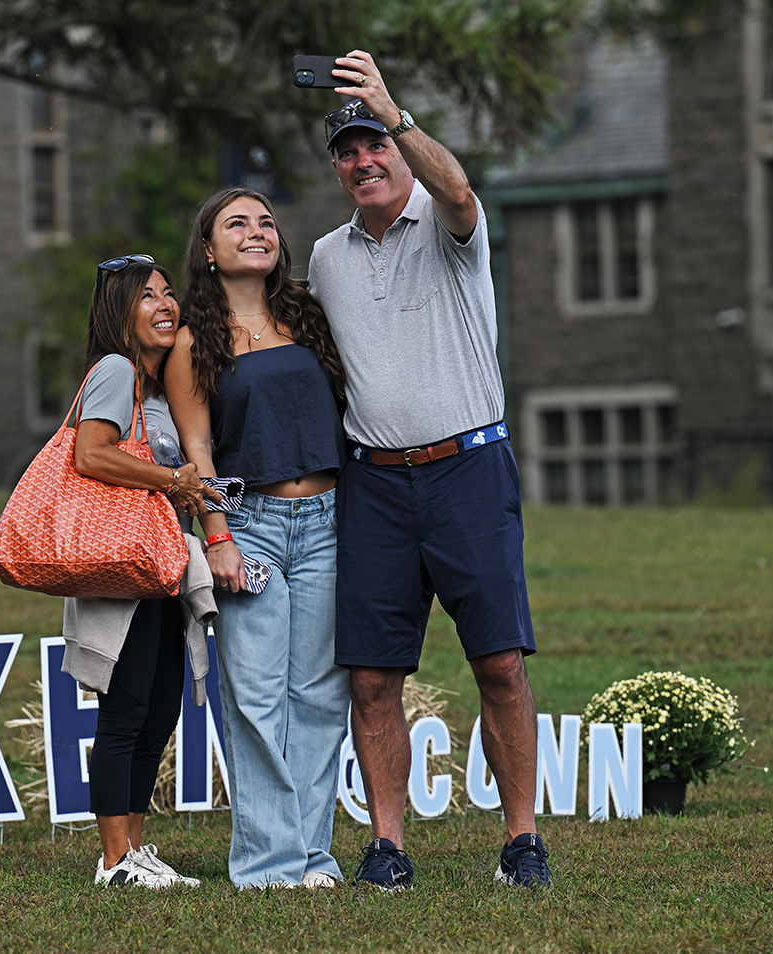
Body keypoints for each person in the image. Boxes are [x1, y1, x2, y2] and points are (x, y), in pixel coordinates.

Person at [306, 50, 551, 890]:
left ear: (399, 149)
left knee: (499, 662)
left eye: (375, 145)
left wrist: (396, 112)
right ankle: (387, 845)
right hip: (374, 483)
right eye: (348, 151)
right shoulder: (327, 258)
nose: (364, 161)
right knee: (373, 676)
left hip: (469, 469)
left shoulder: (452, 230)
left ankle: (521, 841)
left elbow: (457, 190)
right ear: (337, 169)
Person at [166, 189, 350, 889]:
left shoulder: (309, 318)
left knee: (319, 695)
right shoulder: (194, 340)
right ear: (208, 251)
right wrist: (217, 537)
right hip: (252, 528)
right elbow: (198, 447)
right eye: (237, 223)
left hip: (329, 522)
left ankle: (313, 857)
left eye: (267, 221)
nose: (257, 231)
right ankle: (270, 863)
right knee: (256, 696)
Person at [60, 253, 220, 889]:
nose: (165, 304)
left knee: (159, 710)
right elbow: (90, 453)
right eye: (146, 297)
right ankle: (113, 860)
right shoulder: (115, 370)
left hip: (158, 563)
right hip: (119, 566)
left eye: (167, 292)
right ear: (118, 313)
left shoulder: (153, 389)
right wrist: (168, 478)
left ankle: (136, 850)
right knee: (125, 711)